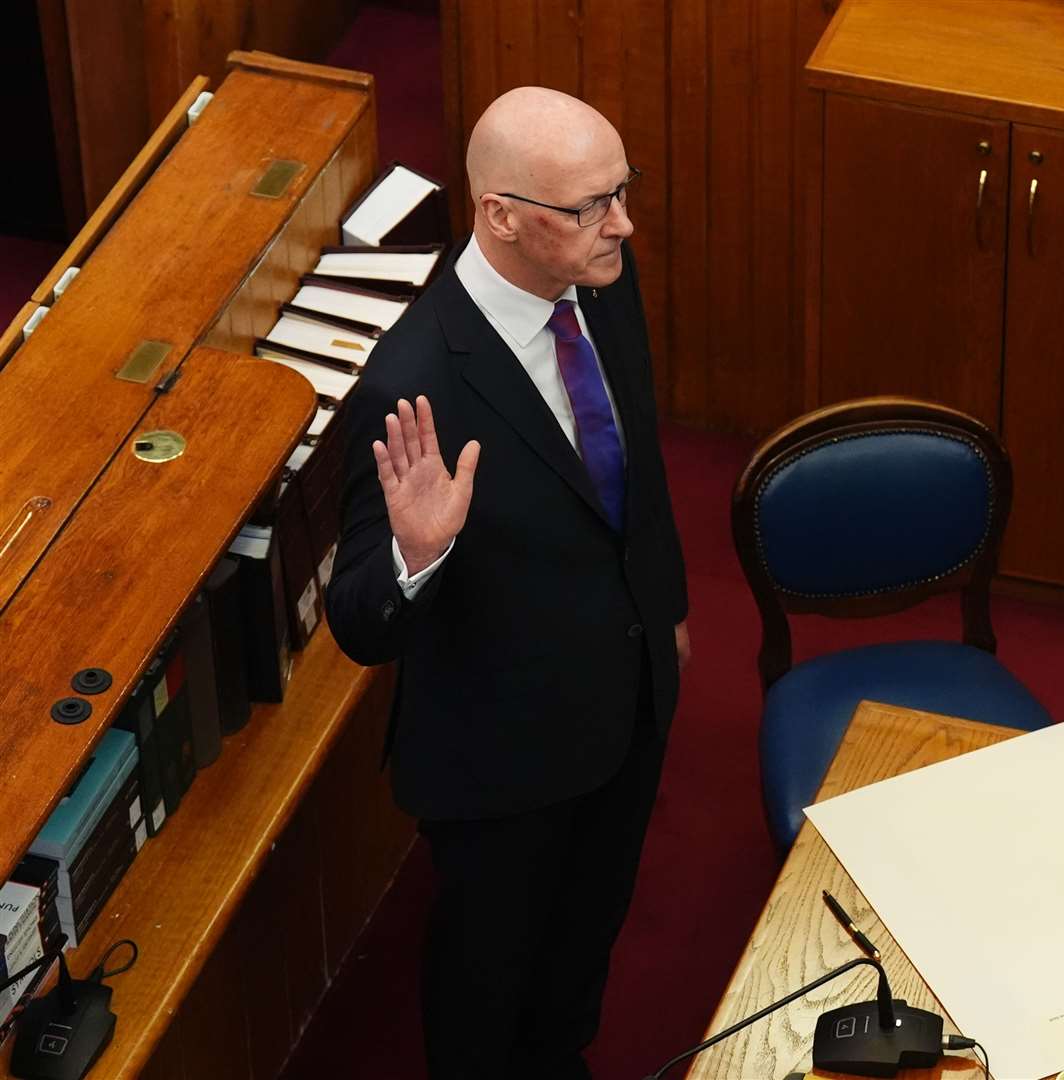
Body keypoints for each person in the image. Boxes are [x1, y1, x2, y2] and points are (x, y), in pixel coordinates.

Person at [324, 86, 690, 1079]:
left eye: (624, 191)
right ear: (502, 217)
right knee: (489, 986)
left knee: (580, 955)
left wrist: (667, 613)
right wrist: (418, 552)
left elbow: (637, 462)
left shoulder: (606, 276)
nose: (624, 222)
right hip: (505, 765)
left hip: (629, 701)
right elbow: (358, 619)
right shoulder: (411, 383)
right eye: (592, 205)